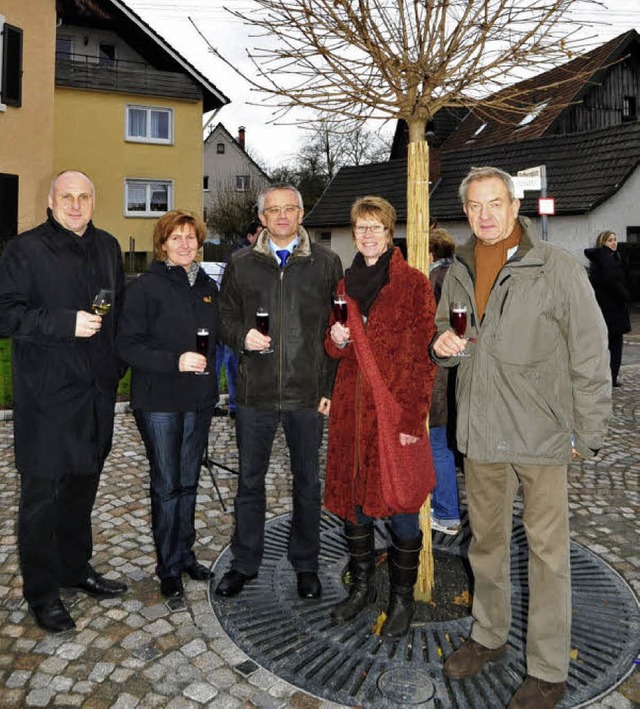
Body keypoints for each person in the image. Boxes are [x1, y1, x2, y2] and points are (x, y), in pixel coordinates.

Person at [431, 167, 611, 709]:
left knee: (547, 554)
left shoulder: (554, 266)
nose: (485, 215)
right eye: (475, 206)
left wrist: (589, 428)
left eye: (495, 204)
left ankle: (549, 669)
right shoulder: (459, 268)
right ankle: (488, 634)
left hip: (540, 432)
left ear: (514, 206)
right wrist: (440, 344)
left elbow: (590, 349)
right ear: (467, 212)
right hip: (482, 432)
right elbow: (446, 325)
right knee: (485, 544)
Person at [0, 170, 127, 633]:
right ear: (50, 201)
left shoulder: (109, 247)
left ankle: (76, 569)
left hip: (96, 396)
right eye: (66, 197)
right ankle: (42, 593)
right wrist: (62, 323)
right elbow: (5, 313)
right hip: (47, 401)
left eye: (84, 196)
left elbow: (119, 312)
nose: (76, 204)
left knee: (81, 493)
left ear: (94, 201)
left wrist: (115, 370)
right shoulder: (24, 250)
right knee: (43, 500)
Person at [215, 183, 343, 600]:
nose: (283, 216)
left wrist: (328, 386)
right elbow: (225, 318)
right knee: (250, 483)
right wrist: (242, 336)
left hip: (307, 394)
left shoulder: (326, 263)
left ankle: (306, 564)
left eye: (290, 209)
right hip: (256, 393)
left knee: (308, 482)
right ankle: (245, 563)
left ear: (301, 214)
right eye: (274, 210)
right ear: (263, 218)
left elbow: (335, 330)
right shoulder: (241, 263)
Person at [324, 196, 437, 638]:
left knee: (402, 504)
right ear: (353, 234)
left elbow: (421, 359)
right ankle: (363, 589)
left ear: (390, 233)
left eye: (376, 227)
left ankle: (402, 601)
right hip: (351, 411)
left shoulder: (412, 284)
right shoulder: (344, 284)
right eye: (361, 228)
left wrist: (412, 419)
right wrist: (335, 339)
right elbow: (334, 348)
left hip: (393, 412)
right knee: (355, 501)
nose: (368, 235)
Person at [117, 210, 218, 600]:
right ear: (162, 244)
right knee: (167, 484)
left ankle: (186, 554)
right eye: (176, 237)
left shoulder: (208, 285)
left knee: (189, 482)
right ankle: (168, 567)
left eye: (191, 237)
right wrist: (175, 360)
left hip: (199, 399)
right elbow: (126, 344)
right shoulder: (146, 287)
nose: (184, 244)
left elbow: (222, 331)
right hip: (159, 401)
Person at [428, 228, 461, 536]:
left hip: (438, 376)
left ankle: (447, 512)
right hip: (456, 376)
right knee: (445, 442)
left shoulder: (434, 280)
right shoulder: (459, 274)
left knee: (437, 442)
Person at [215, 220, 263, 420]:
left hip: (247, 321)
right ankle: (228, 403)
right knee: (225, 361)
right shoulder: (237, 259)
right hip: (234, 320)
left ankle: (235, 404)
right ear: (250, 237)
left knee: (233, 363)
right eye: (259, 234)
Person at [584, 230, 631, 387]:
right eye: (610, 240)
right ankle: (610, 376)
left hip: (611, 309)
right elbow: (612, 281)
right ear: (602, 242)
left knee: (611, 344)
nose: (614, 242)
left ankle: (610, 376)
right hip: (610, 309)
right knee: (612, 345)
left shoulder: (609, 258)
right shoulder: (606, 259)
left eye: (615, 239)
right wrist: (625, 295)